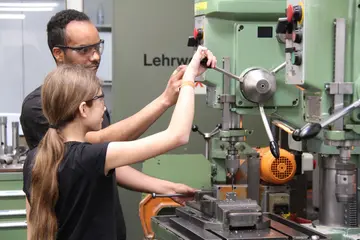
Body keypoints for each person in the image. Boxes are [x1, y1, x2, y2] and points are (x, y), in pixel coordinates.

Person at [20, 9, 207, 238]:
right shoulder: (39, 111)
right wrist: (190, 79)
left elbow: (104, 163)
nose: (95, 56)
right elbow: (176, 136)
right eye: (84, 50)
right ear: (82, 109)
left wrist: (167, 188)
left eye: (97, 47)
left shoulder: (35, 159)